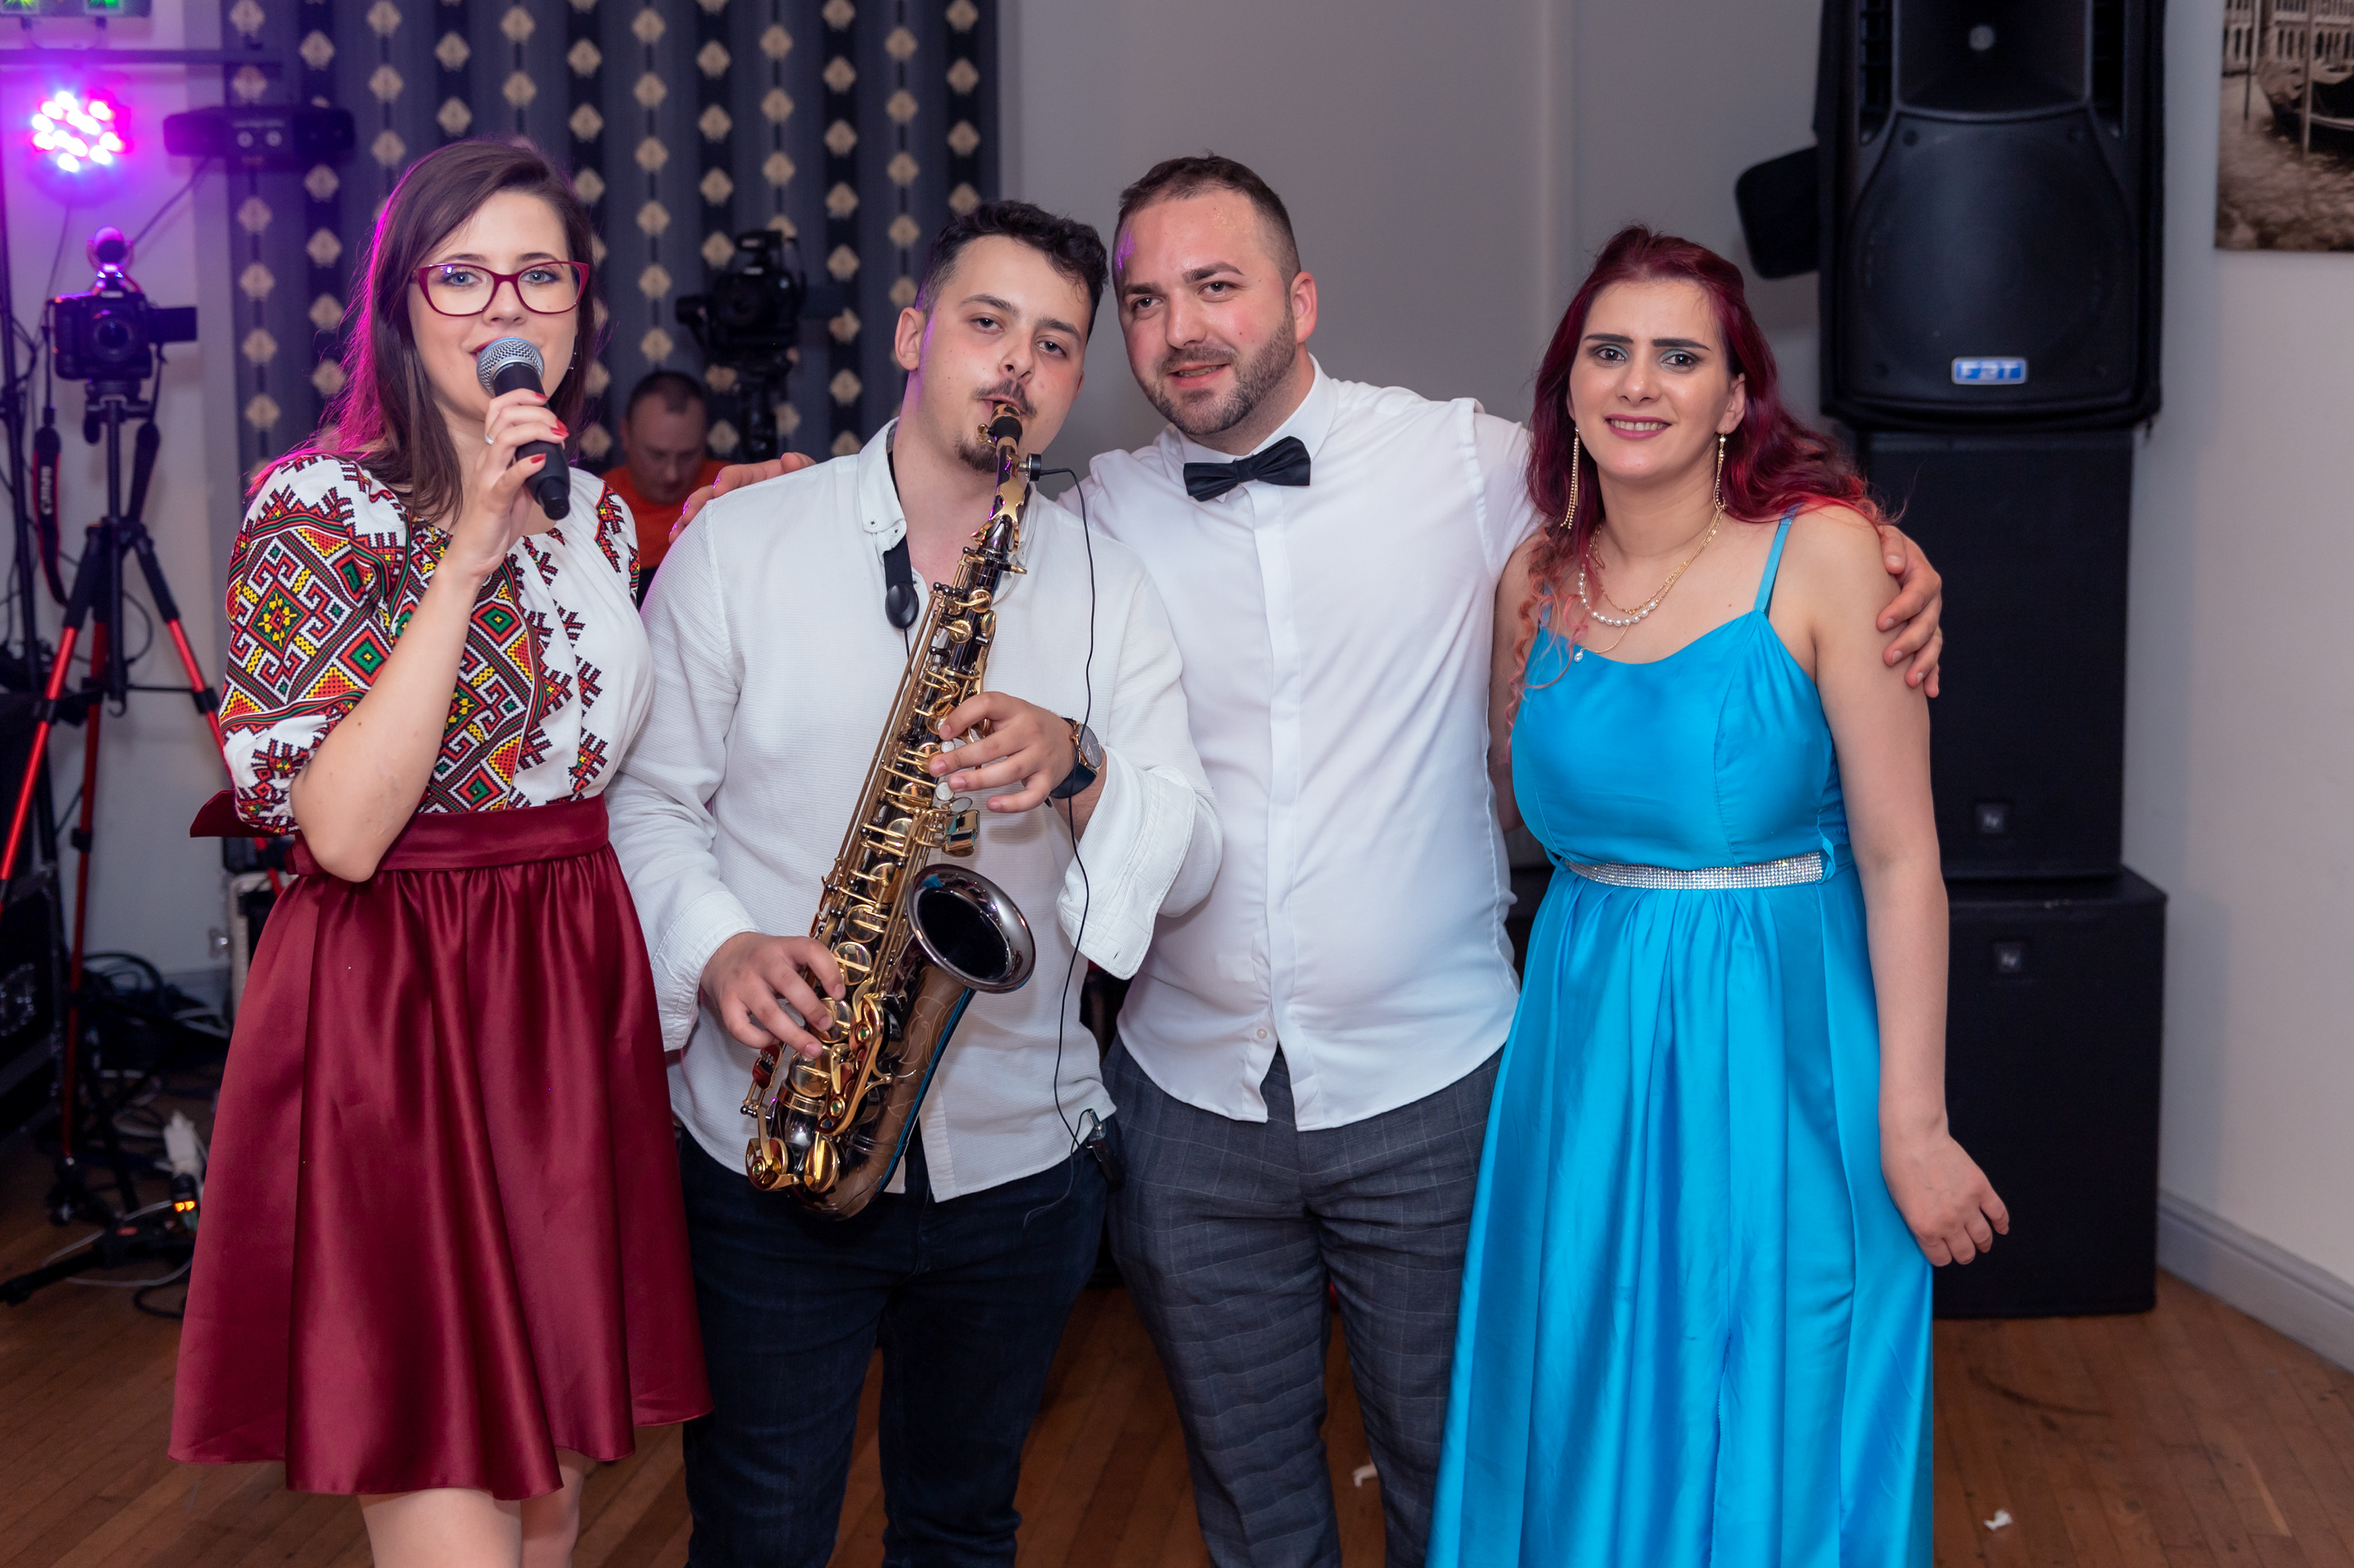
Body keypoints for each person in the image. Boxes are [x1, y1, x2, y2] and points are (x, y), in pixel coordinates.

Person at [679, 155, 1946, 1568]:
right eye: (1146, 302)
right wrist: (773, 493)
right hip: (1189, 1106)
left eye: (1217, 287)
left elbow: (1670, 491)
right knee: (1251, 1507)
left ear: (1299, 301)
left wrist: (1874, 547)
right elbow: (931, 498)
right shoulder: (1087, 520)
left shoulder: (1466, 466)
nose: (1181, 329)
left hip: (1438, 1087)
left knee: (1463, 1487)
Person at [604, 200, 1219, 1567]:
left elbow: (1190, 857)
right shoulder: (741, 545)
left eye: (1055, 344)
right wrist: (718, 947)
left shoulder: (1111, 589)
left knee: (961, 1528)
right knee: (759, 1535)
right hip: (772, 1145)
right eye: (988, 323)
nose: (1017, 366)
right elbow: (646, 802)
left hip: (1019, 1165)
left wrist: (1081, 764)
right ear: (912, 336)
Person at [1427, 227, 2006, 1566]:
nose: (1640, 383)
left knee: (1773, 1403)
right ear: (1568, 388)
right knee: (1583, 1392)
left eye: (1680, 357)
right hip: (1583, 1047)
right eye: (1609, 352)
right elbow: (1515, 807)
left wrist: (1915, 1124)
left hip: (1780, 1042)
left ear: (1737, 397)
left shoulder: (1830, 558)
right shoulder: (1533, 582)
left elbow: (1903, 861)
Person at [170, 139, 708, 1568]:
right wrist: (465, 550)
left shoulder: (597, 513)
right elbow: (343, 833)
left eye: (538, 274)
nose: (504, 307)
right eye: (461, 276)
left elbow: (609, 758)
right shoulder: (315, 506)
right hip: (402, 1003)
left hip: (564, 993)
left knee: (553, 1494)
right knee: (445, 1462)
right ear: (401, 304)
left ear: (581, 303)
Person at [600, 369, 725, 593]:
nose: (672, 474)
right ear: (625, 434)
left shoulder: (729, 492)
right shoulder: (595, 505)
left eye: (688, 456)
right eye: (656, 455)